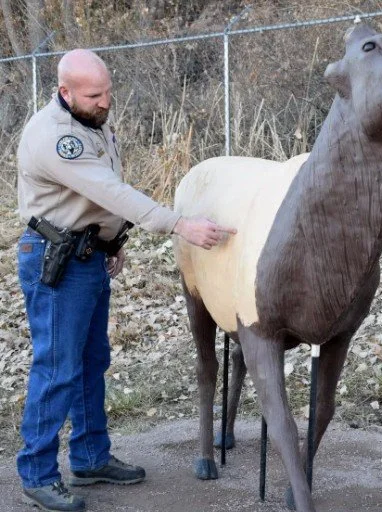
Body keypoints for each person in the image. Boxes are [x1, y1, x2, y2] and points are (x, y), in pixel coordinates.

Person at [16, 48, 236, 512]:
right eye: (94, 95)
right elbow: (110, 189)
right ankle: (36, 474)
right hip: (56, 260)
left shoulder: (88, 120)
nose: (105, 102)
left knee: (91, 361)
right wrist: (179, 224)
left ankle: (91, 457)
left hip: (86, 254)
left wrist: (112, 244)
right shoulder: (57, 138)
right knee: (57, 368)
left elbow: (97, 200)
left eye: (108, 91)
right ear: (65, 92)